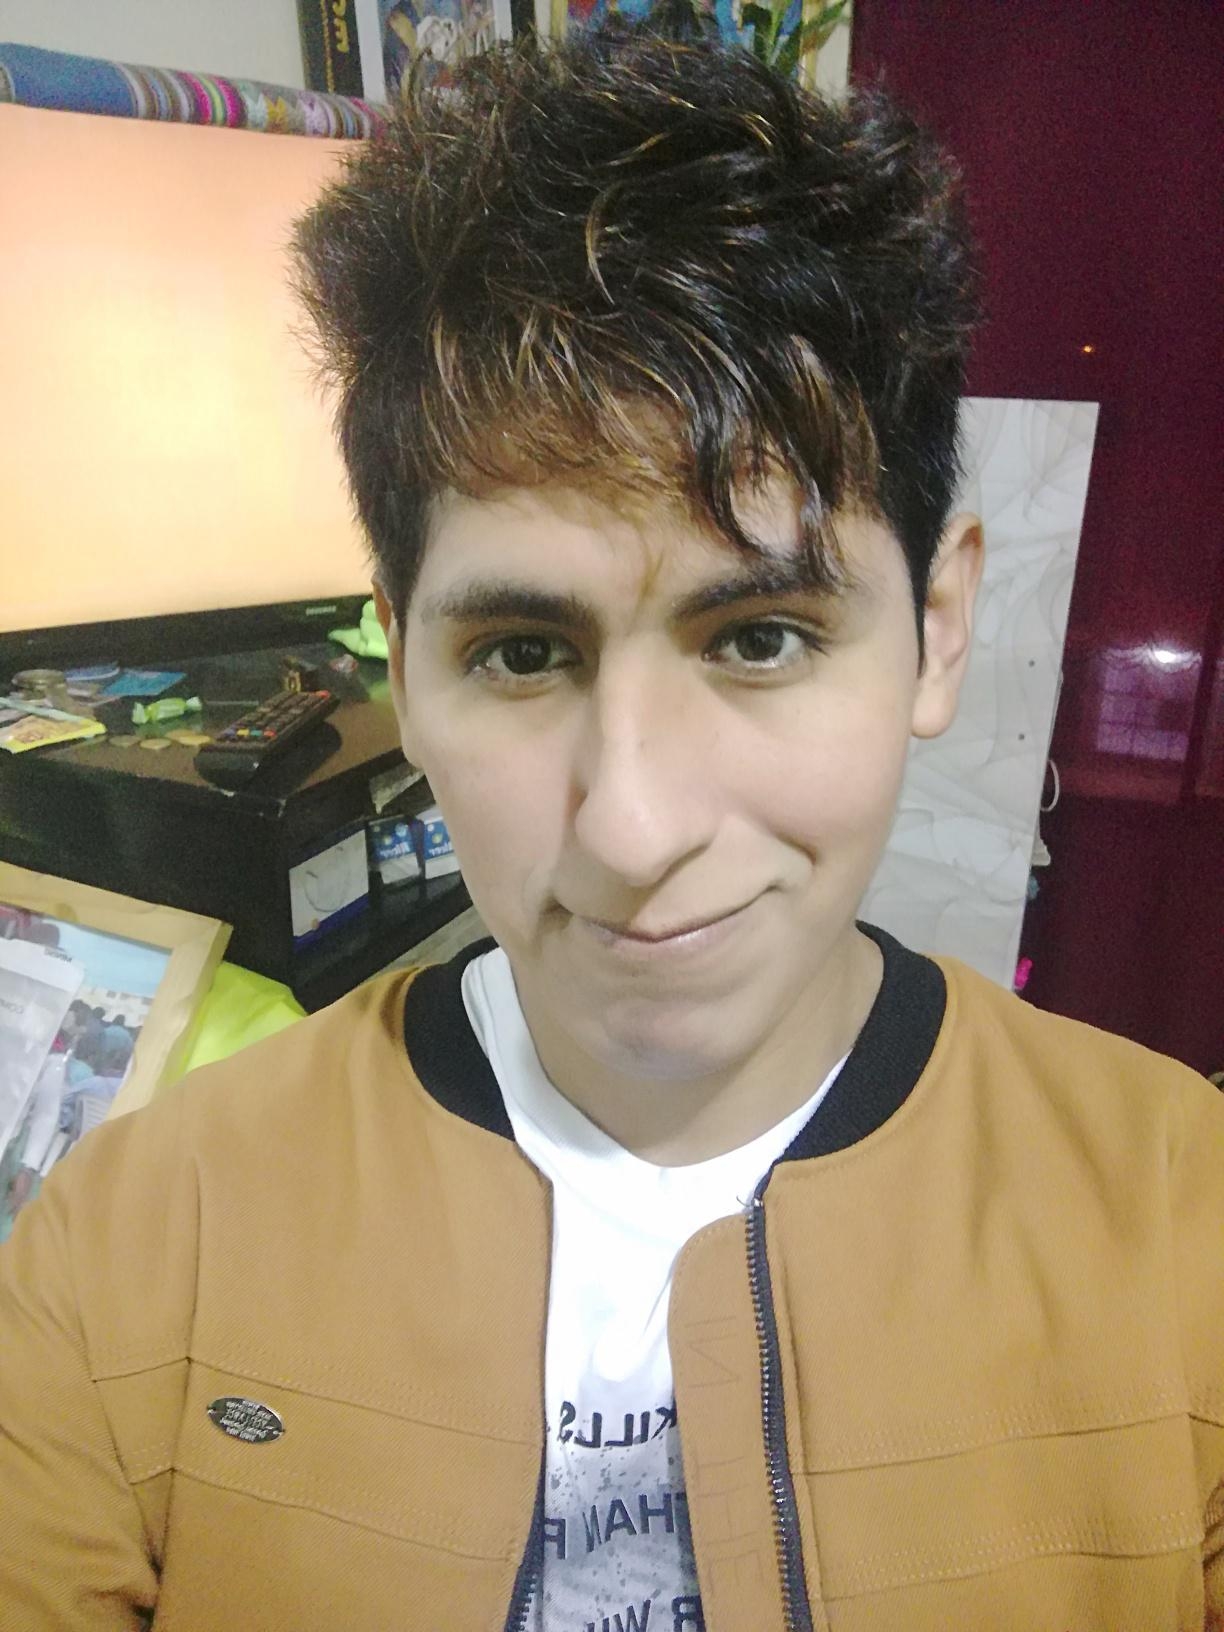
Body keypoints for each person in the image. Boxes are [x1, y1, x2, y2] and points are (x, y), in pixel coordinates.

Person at [2, 30, 1222, 1632]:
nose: (635, 826)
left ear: (937, 633)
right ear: (401, 661)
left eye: (762, 637)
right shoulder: (138, 1240)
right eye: (523, 654)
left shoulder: (1186, 1230)